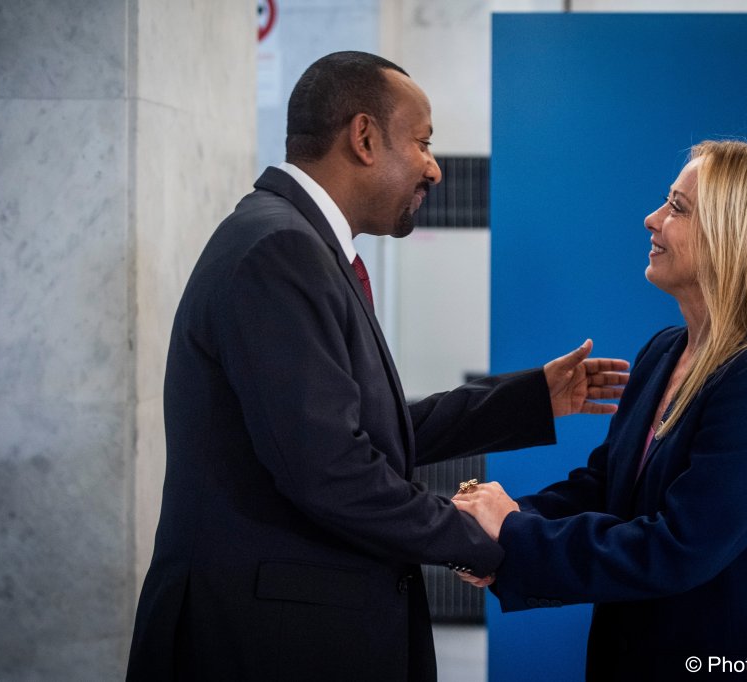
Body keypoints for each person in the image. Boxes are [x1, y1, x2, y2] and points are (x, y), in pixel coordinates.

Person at [125, 51, 628, 682]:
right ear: (364, 137)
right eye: (421, 142)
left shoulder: (293, 241)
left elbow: (361, 433)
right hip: (266, 642)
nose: (435, 168)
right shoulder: (280, 250)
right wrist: (490, 540)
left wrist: (532, 400)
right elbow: (332, 470)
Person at [454, 140, 747, 680]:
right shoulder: (664, 350)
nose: (653, 218)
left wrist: (514, 535)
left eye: (678, 207)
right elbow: (607, 487)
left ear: (734, 236)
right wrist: (490, 526)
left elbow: (677, 548)